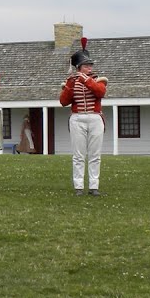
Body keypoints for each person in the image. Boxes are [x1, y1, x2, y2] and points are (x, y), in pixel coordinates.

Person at [59, 37, 108, 196]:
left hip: (95, 118)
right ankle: (78, 186)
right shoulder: (71, 81)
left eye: (90, 65)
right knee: (78, 155)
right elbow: (63, 101)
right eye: (86, 66)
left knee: (95, 155)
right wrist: (70, 85)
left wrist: (86, 80)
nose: (89, 68)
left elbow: (100, 92)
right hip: (77, 118)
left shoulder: (98, 80)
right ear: (79, 68)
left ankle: (94, 186)